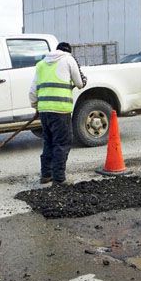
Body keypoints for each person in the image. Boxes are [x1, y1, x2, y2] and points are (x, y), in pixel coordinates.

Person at [29, 41, 86, 184]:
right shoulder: (69, 59)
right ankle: (59, 179)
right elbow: (79, 83)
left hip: (44, 110)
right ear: (69, 51)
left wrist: (36, 106)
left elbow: (32, 91)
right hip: (60, 110)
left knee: (48, 142)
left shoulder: (41, 64)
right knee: (62, 143)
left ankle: (46, 175)